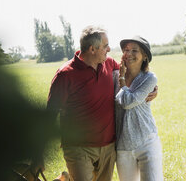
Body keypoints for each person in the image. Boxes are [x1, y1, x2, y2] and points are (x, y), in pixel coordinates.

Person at [43, 26, 157, 181]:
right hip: (79, 148)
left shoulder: (109, 64)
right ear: (92, 49)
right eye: (105, 46)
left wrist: (153, 87)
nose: (109, 49)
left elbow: (133, 75)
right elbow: (50, 113)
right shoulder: (65, 74)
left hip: (109, 147)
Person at [114, 36, 163, 181]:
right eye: (126, 50)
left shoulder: (149, 78)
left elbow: (128, 102)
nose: (129, 54)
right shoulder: (112, 76)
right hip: (123, 147)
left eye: (134, 50)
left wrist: (122, 81)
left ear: (145, 56)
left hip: (147, 142)